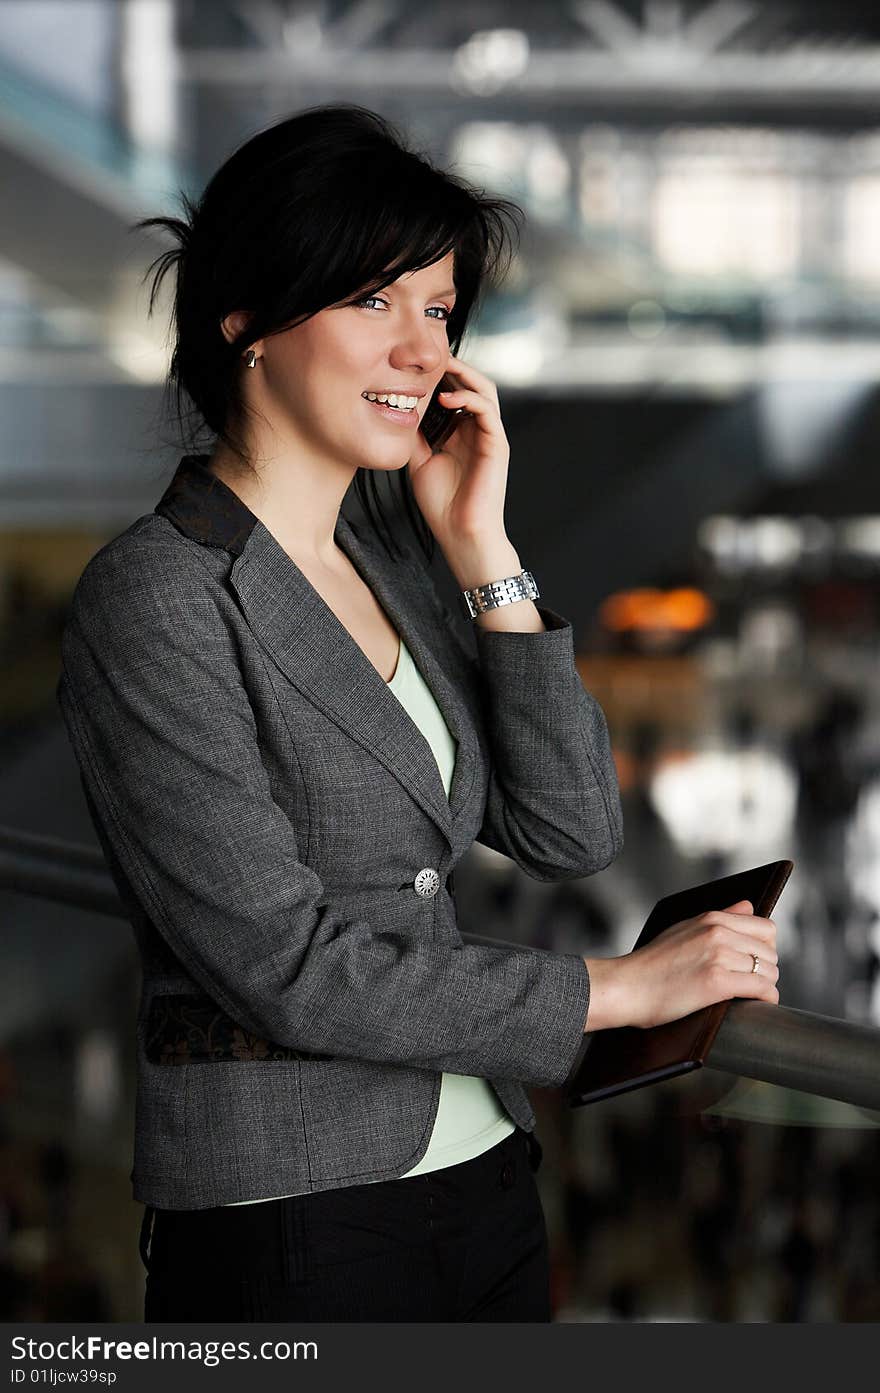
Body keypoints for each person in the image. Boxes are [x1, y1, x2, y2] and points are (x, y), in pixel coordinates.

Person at [56, 104, 779, 1323]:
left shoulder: (390, 556)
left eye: (438, 310)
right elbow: (285, 965)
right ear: (245, 317)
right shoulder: (159, 594)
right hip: (296, 1217)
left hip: (485, 1174)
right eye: (374, 301)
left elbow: (567, 831)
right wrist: (618, 991)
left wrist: (482, 549)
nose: (420, 350)